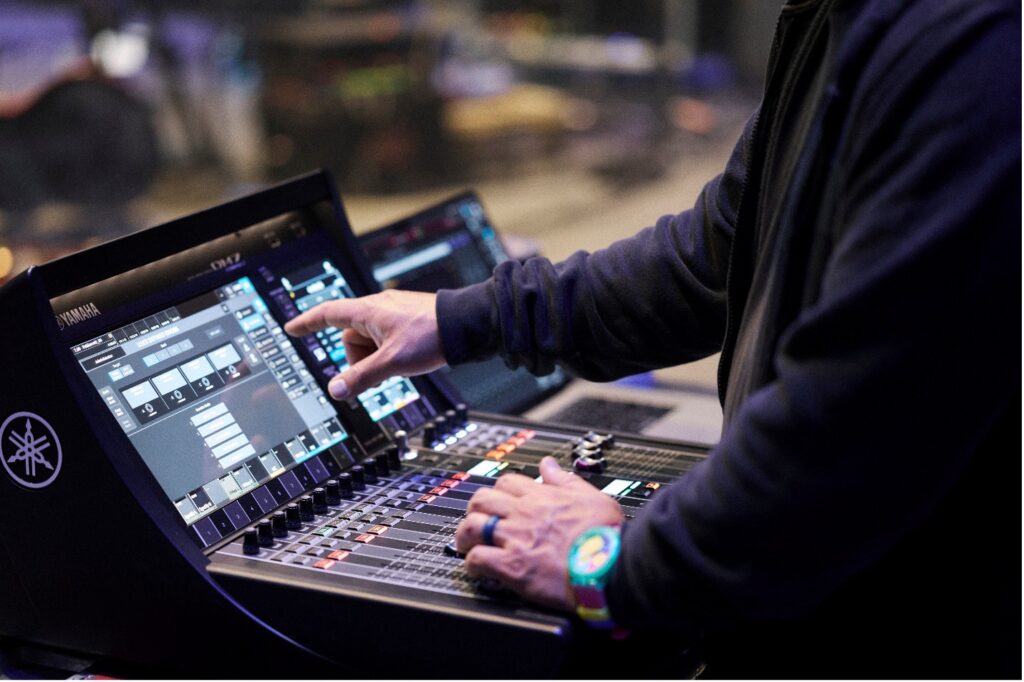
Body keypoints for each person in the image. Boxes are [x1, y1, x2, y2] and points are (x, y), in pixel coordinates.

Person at [285, 0, 1020, 676]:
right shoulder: (839, 19)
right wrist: (459, 319)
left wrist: (607, 566)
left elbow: (855, 433)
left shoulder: (975, 52)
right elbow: (711, 257)